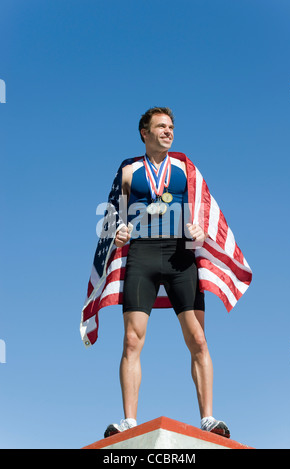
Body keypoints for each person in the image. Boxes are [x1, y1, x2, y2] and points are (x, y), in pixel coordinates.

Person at [103, 107, 230, 439]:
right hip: (143, 254)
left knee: (198, 339)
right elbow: (116, 215)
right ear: (144, 133)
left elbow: (202, 209)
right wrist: (119, 231)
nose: (168, 132)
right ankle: (129, 421)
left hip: (179, 255)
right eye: (161, 127)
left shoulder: (185, 169)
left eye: (171, 127)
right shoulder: (129, 171)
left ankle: (208, 419)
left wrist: (200, 232)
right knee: (131, 339)